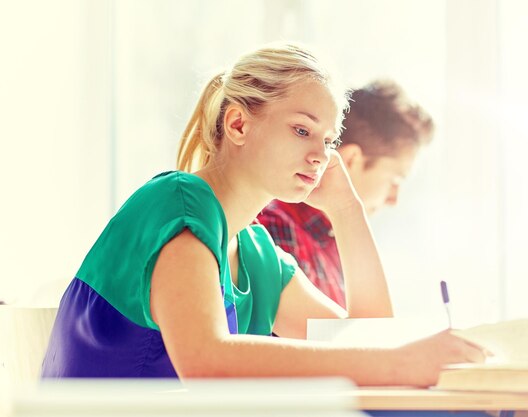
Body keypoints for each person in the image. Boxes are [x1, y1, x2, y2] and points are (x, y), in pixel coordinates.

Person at [41, 42, 485, 387]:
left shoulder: (256, 254)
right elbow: (206, 362)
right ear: (238, 125)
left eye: (329, 141)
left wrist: (347, 211)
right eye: (301, 130)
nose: (320, 155)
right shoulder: (178, 202)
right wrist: (400, 362)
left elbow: (370, 340)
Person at [257, 80, 433, 307]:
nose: (393, 200)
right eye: (394, 180)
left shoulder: (339, 246)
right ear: (351, 160)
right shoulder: (275, 231)